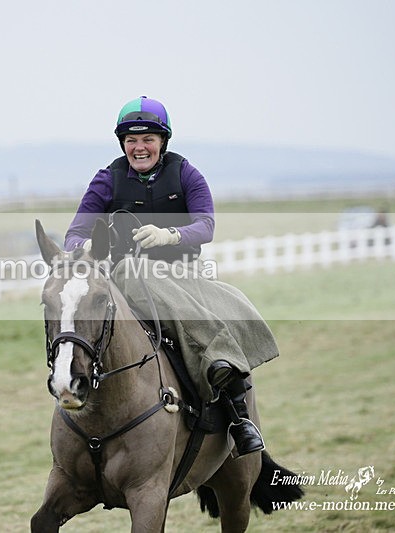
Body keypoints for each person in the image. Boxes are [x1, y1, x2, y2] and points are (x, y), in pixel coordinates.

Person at [64, 96, 278, 456]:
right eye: (131, 140)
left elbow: (206, 225)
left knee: (224, 301)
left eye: (147, 138)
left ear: (162, 141)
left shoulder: (185, 174)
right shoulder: (107, 179)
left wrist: (171, 235)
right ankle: (70, 383)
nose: (139, 147)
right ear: (122, 144)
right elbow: (74, 234)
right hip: (125, 276)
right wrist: (82, 247)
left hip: (182, 273)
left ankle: (238, 413)